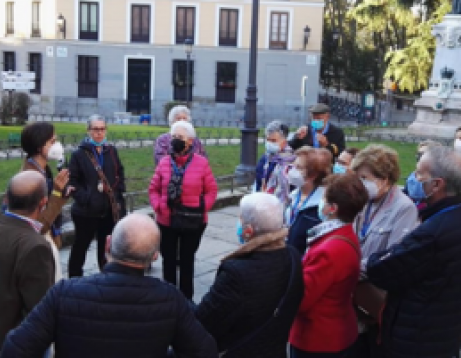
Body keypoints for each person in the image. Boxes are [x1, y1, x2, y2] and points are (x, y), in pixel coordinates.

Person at [0, 213, 218, 358]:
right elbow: (205, 352)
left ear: (107, 245)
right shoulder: (170, 299)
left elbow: (14, 350)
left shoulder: (64, 293)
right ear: (154, 257)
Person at [367, 146, 461, 358]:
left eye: (420, 173)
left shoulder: (433, 233)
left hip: (415, 339)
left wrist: (380, 254)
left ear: (437, 184)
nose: (413, 178)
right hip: (444, 333)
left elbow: (381, 270)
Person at [195, 193, 304, 357]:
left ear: (248, 230)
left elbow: (205, 321)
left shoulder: (236, 273)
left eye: (240, 218)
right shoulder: (292, 256)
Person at [0, 171, 55, 358]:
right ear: (43, 203)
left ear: (7, 198)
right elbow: (40, 310)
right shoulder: (35, 247)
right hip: (16, 346)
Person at [289, 173, 367, 358]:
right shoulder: (343, 234)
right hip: (334, 332)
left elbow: (301, 299)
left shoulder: (330, 250)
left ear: (332, 208)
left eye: (323, 198)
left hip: (319, 339)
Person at [149, 120, 218, 299]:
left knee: (187, 261)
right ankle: (168, 297)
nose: (175, 141)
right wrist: (158, 207)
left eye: (180, 137)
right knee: (169, 261)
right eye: (173, 137)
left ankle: (186, 300)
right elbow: (153, 189)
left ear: (190, 141)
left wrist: (203, 207)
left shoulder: (201, 163)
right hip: (167, 220)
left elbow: (211, 190)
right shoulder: (164, 162)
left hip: (192, 219)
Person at [67, 115, 126, 278]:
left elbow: (119, 173)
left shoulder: (111, 151)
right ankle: (74, 279)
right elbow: (72, 181)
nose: (99, 133)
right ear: (89, 131)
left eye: (102, 129)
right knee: (81, 246)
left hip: (108, 209)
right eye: (95, 129)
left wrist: (118, 192)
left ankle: (105, 278)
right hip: (86, 211)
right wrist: (86, 198)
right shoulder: (79, 154)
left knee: (106, 247)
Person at [350, 145, 419, 273]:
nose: (359, 183)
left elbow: (394, 255)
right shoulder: (363, 200)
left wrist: (353, 267)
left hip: (374, 283)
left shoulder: (404, 208)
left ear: (384, 180)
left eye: (364, 178)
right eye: (358, 177)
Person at [19, 122, 72, 281]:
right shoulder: (30, 177)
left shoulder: (44, 170)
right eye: (52, 141)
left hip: (48, 239)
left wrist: (61, 193)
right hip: (39, 244)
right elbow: (38, 225)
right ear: (39, 146)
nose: (57, 145)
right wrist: (56, 193)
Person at [285, 146, 332, 255]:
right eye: (293, 165)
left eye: (299, 167)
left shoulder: (322, 204)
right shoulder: (293, 195)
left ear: (312, 175)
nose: (293, 170)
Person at [255, 120, 296, 204]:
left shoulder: (292, 160)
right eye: (268, 140)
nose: (269, 143)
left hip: (283, 204)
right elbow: (259, 180)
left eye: (273, 140)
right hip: (263, 202)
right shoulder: (265, 158)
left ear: (284, 140)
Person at [403, 140, 441, 210]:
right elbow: (406, 192)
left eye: (423, 154)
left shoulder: (437, 177)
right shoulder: (412, 175)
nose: (419, 156)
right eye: (418, 154)